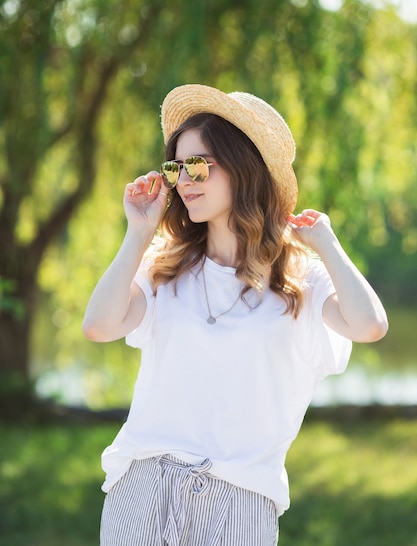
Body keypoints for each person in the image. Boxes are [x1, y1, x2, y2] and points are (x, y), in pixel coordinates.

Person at [83, 84, 388, 546]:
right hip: (143, 487)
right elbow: (98, 325)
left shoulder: (300, 280)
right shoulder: (165, 266)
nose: (184, 180)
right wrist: (138, 233)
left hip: (240, 500)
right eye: (175, 167)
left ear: (243, 168)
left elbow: (370, 325)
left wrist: (327, 243)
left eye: (199, 165)